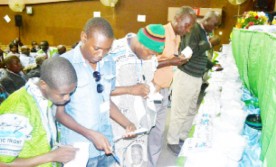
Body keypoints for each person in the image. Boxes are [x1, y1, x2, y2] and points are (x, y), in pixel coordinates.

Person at [55, 17, 136, 167]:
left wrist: (127, 123)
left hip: (105, 143)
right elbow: (58, 113)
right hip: (78, 149)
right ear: (84, 37)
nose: (101, 54)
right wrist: (91, 134)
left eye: (107, 49)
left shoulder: (109, 62)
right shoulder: (64, 65)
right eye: (97, 48)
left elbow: (105, 100)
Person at [0, 57, 78, 167]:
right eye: (63, 94)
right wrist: (51, 156)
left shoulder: (44, 98)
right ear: (43, 85)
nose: (67, 98)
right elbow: (2, 163)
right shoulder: (17, 111)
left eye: (71, 93)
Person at [108, 24, 165, 166]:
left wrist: (152, 89)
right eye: (151, 53)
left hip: (141, 123)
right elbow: (99, 91)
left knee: (137, 160)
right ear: (141, 44)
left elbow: (150, 78)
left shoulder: (149, 56)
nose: (151, 57)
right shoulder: (112, 53)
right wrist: (131, 89)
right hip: (119, 123)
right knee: (120, 160)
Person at [167, 11, 221, 156]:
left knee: (190, 110)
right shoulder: (195, 29)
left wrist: (212, 65)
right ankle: (172, 141)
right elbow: (188, 51)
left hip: (195, 77)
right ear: (207, 19)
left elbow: (201, 55)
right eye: (214, 24)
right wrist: (209, 43)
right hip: (186, 75)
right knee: (180, 111)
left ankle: (182, 137)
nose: (215, 27)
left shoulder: (202, 32)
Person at [148, 6, 196, 166]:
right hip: (152, 89)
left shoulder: (177, 36)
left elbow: (168, 59)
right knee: (149, 130)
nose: (188, 30)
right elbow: (147, 62)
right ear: (177, 19)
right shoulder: (160, 33)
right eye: (187, 25)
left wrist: (178, 59)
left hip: (165, 89)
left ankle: (152, 162)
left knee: (158, 131)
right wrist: (172, 61)